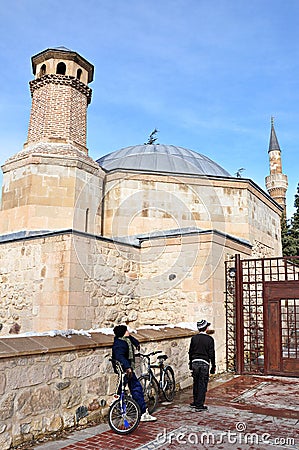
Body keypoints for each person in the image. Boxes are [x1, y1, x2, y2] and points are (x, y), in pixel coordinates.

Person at [112, 324, 157, 422]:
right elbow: (120, 357)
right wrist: (128, 367)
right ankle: (142, 413)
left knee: (129, 390)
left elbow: (131, 339)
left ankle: (122, 409)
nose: (129, 332)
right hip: (125, 370)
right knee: (134, 389)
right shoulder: (120, 344)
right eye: (127, 331)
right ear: (123, 333)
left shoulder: (124, 340)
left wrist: (136, 343)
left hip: (127, 369)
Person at [188, 319, 216, 412]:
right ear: (206, 328)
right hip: (204, 363)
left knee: (196, 382)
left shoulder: (194, 338)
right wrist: (213, 366)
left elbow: (190, 351)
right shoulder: (209, 339)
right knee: (202, 383)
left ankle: (195, 401)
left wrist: (190, 363)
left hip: (195, 362)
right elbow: (212, 354)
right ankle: (200, 404)